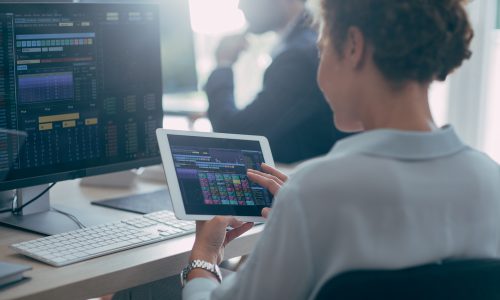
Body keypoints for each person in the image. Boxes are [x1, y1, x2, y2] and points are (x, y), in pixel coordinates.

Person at [183, 0, 500, 299]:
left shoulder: (314, 192)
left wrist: (203, 260)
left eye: (322, 50)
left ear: (352, 46)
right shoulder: (490, 179)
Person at [205, 0, 349, 164]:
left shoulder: (298, 57)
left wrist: (223, 64)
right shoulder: (308, 40)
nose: (240, 6)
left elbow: (234, 135)